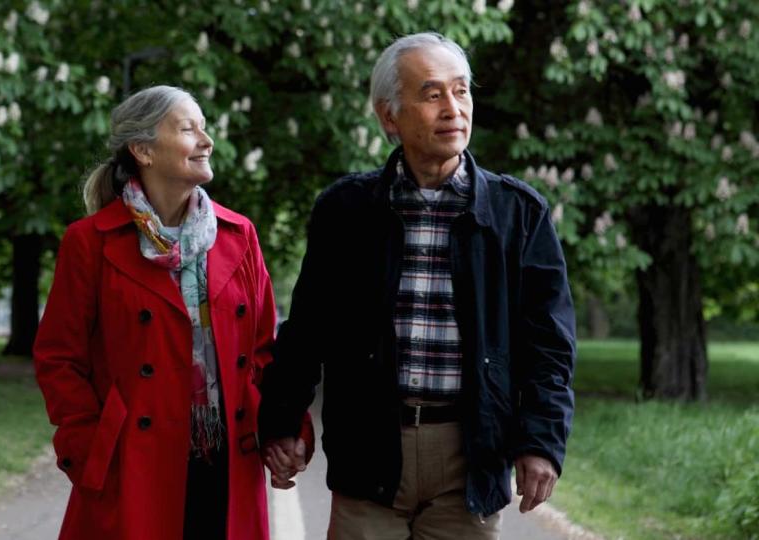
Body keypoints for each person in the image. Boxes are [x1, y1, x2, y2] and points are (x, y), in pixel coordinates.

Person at [257, 32, 576, 539]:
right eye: (432, 95)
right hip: (369, 450)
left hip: (471, 452)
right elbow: (309, 328)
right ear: (390, 117)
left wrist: (541, 441)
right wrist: (280, 422)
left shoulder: (518, 213)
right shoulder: (347, 210)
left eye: (461, 91)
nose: (453, 108)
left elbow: (549, 344)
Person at [34, 85, 296, 540]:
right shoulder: (90, 242)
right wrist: (88, 446)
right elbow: (59, 357)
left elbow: (262, 351)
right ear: (143, 150)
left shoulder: (240, 235)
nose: (206, 140)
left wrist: (285, 428)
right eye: (188, 129)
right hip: (134, 463)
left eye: (204, 127)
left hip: (230, 459)